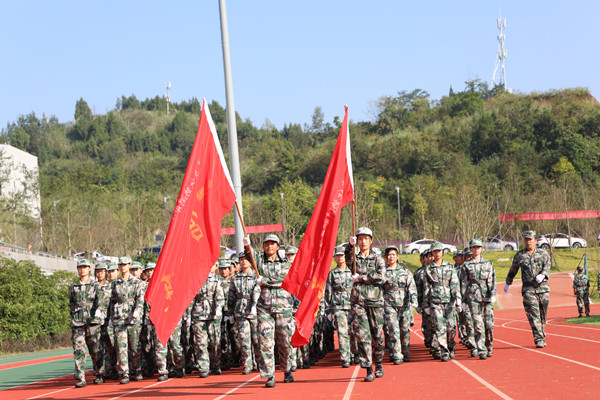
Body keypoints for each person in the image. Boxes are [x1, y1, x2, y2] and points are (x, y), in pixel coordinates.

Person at [244, 233, 295, 388]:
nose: (269, 246)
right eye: (266, 244)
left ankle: (286, 370)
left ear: (278, 247)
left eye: (273, 244)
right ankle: (269, 375)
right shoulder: (259, 261)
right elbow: (249, 256)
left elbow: (285, 281)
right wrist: (247, 245)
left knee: (284, 342)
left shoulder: (286, 263)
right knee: (265, 342)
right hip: (265, 308)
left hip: (283, 308)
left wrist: (264, 281)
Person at [345, 227, 386, 382]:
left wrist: (361, 278)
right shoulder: (355, 258)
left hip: (375, 303)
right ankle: (368, 368)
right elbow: (347, 259)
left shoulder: (377, 258)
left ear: (370, 241)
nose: (362, 242)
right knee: (362, 337)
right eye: (360, 239)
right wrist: (350, 246)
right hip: (358, 303)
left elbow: (381, 277)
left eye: (365, 239)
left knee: (377, 336)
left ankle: (379, 363)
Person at [504, 230, 551, 348]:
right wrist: (508, 283)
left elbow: (548, 265)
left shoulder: (543, 253)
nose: (528, 242)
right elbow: (513, 269)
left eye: (530, 239)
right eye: (526, 240)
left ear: (535, 241)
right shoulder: (520, 255)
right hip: (528, 289)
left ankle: (540, 333)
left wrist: (543, 274)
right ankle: (539, 338)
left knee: (542, 315)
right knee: (533, 315)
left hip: (543, 288)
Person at [422, 242, 461, 362]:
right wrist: (426, 305)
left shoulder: (450, 267)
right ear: (432, 253)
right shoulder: (428, 269)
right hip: (435, 302)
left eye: (439, 251)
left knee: (450, 327)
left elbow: (454, 284)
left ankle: (450, 345)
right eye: (435, 251)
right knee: (439, 327)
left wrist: (458, 299)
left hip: (449, 301)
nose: (437, 253)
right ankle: (444, 350)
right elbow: (426, 288)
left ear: (442, 252)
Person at [109, 256, 144, 384]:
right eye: (121, 265)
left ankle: (137, 369)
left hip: (133, 319)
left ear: (129, 265)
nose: (123, 267)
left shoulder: (137, 282)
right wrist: (112, 318)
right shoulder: (115, 284)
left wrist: (136, 313)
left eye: (125, 264)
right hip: (119, 319)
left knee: (135, 347)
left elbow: (140, 300)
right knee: (121, 347)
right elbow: (112, 301)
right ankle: (125, 373)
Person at [69, 259, 101, 388]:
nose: (82, 269)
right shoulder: (73, 286)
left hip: (92, 322)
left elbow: (100, 301)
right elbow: (71, 304)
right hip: (78, 323)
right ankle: (81, 377)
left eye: (85, 267)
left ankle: (99, 373)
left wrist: (98, 313)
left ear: (89, 269)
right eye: (80, 267)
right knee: (79, 350)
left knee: (95, 350)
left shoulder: (95, 285)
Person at [382, 246, 417, 364]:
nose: (391, 257)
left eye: (393, 254)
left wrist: (414, 301)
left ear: (397, 256)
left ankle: (405, 351)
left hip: (404, 305)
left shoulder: (405, 271)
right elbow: (379, 289)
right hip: (389, 304)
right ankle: (396, 353)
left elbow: (411, 287)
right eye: (389, 255)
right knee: (393, 329)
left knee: (404, 330)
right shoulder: (383, 272)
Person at [462, 239, 496, 359]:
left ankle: (489, 346)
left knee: (489, 325)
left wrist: (493, 294)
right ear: (471, 249)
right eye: (474, 247)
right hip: (473, 297)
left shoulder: (488, 264)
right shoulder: (466, 265)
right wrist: (463, 301)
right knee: (477, 324)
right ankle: (481, 349)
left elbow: (492, 280)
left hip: (486, 297)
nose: (476, 249)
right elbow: (464, 283)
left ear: (481, 249)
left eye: (478, 247)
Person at [228, 251, 261, 375]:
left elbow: (259, 292)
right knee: (243, 339)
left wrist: (254, 306)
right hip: (240, 311)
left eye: (245, 259)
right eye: (241, 260)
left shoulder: (256, 276)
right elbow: (231, 296)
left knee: (256, 339)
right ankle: (247, 364)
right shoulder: (235, 278)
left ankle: (259, 363)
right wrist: (230, 313)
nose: (243, 262)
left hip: (254, 310)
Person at [324, 245, 356, 368]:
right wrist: (328, 310)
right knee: (342, 333)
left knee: (353, 332)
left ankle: (354, 353)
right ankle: (345, 358)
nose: (340, 258)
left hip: (352, 306)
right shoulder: (332, 274)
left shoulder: (353, 271)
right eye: (337, 256)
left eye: (342, 255)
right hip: (338, 307)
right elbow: (328, 292)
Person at [191, 263, 225, 378]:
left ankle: (216, 365)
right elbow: (191, 297)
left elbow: (219, 297)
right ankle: (204, 368)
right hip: (198, 314)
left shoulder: (216, 280)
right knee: (201, 342)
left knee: (215, 341)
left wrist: (218, 310)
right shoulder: (195, 279)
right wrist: (188, 315)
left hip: (213, 313)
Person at [90, 263, 111, 384]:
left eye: (102, 271)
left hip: (108, 321)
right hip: (95, 321)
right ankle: (99, 373)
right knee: (97, 348)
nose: (99, 274)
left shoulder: (111, 286)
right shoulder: (92, 286)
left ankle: (111, 370)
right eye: (97, 271)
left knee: (110, 348)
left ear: (106, 272)